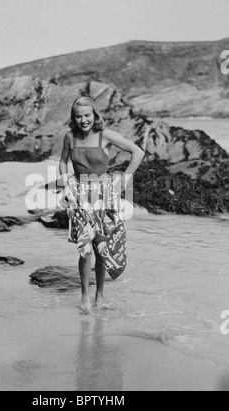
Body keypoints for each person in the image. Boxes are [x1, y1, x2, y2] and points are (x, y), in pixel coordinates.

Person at [59, 97, 145, 312]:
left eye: (87, 115)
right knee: (84, 249)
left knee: (102, 248)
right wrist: (66, 185)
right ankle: (85, 296)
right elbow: (63, 162)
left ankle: (100, 295)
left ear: (94, 115)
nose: (83, 120)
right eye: (78, 116)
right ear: (73, 117)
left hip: (105, 196)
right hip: (80, 197)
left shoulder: (105, 135)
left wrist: (124, 179)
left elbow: (138, 152)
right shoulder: (70, 137)